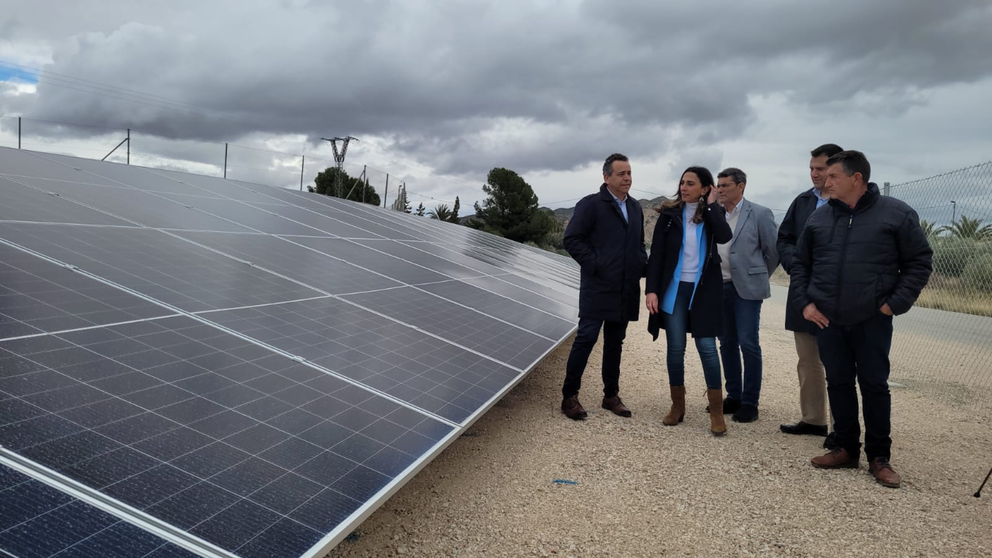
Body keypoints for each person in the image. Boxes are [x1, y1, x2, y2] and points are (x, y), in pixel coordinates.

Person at [791, 150, 932, 488]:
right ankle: (845, 447)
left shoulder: (896, 214)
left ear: (857, 179)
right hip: (828, 319)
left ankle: (879, 457)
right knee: (838, 382)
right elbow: (800, 265)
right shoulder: (819, 218)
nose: (827, 182)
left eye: (833, 177)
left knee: (874, 386)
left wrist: (892, 305)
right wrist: (806, 303)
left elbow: (919, 262)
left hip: (872, 319)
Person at [646, 167, 733, 436]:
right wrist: (651, 290)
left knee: (707, 347)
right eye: (682, 182)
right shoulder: (669, 215)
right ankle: (677, 407)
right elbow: (657, 255)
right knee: (675, 348)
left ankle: (717, 413)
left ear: (705, 188)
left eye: (691, 183)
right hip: (673, 289)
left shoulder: (713, 214)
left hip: (704, 290)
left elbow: (724, 236)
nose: (684, 187)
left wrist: (709, 208)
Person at [561, 153, 648, 420]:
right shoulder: (591, 205)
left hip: (625, 289)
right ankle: (569, 396)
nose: (627, 178)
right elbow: (572, 239)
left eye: (630, 173)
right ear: (606, 177)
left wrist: (640, 267)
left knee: (615, 343)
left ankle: (611, 395)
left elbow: (638, 245)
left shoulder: (635, 208)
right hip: (598, 287)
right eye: (621, 173)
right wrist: (596, 264)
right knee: (586, 339)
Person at [778, 143, 844, 446]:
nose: (815, 175)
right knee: (808, 359)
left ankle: (843, 427)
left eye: (821, 169)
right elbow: (785, 239)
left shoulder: (853, 203)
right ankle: (814, 419)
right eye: (812, 169)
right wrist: (796, 265)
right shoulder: (803, 201)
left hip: (840, 294)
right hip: (804, 291)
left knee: (840, 362)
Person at [714, 168, 779, 423]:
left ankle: (750, 402)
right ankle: (734, 396)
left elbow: (772, 251)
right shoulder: (715, 214)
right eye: (718, 185)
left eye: (726, 185)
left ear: (741, 186)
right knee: (726, 343)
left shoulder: (760, 213)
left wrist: (758, 275)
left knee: (748, 343)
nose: (720, 189)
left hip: (746, 290)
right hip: (719, 286)